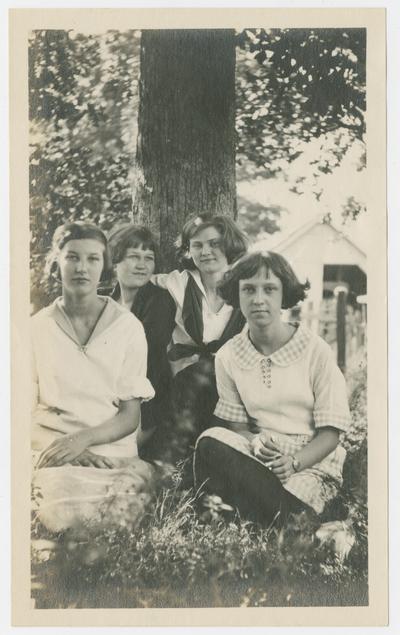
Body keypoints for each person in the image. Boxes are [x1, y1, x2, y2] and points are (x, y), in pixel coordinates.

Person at [194, 251, 351, 525]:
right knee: (210, 440)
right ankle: (283, 520)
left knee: (294, 494)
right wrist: (255, 443)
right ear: (236, 294)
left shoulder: (315, 350)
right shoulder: (229, 355)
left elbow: (330, 434)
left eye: (269, 289)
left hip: (310, 461)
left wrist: (293, 463)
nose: (258, 299)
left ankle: (282, 521)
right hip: (258, 455)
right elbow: (237, 426)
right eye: (248, 290)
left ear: (284, 294)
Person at [31, 222, 156, 533]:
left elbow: (129, 417)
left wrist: (84, 439)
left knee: (125, 499)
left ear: (105, 266)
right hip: (53, 450)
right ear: (56, 264)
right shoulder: (34, 329)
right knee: (55, 503)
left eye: (93, 259)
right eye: (72, 257)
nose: (82, 268)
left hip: (112, 455)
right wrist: (71, 448)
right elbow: (17, 414)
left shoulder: (128, 328)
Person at [154, 213, 248, 459]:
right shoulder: (179, 283)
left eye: (214, 243)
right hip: (182, 382)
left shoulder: (245, 286)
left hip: (234, 382)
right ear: (188, 251)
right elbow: (137, 282)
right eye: (197, 245)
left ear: (229, 244)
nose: (206, 251)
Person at [107, 224, 176, 460]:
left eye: (149, 258)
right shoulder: (105, 301)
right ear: (115, 261)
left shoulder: (160, 300)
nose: (142, 265)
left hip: (148, 397)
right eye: (134, 257)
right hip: (105, 391)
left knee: (116, 454)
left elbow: (149, 351)